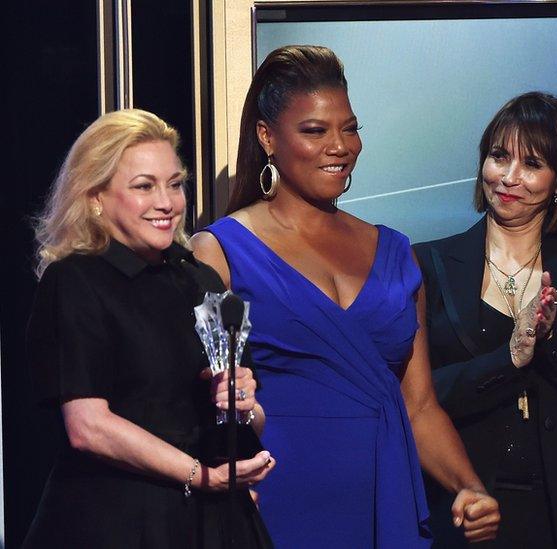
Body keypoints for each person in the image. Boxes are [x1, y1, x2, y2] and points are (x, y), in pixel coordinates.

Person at [191, 45, 500, 547]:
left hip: (384, 501)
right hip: (271, 506)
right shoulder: (218, 250)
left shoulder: (398, 253)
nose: (340, 146)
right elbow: (204, 400)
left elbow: (418, 406)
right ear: (267, 137)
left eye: (350, 128)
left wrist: (468, 487)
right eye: (315, 131)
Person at [24, 109, 274, 548]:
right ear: (96, 196)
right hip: (117, 519)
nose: (167, 203)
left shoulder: (200, 279)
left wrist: (243, 403)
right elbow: (88, 427)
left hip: (212, 518)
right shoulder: (77, 280)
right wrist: (199, 476)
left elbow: (252, 418)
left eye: (174, 184)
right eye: (144, 186)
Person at [414, 92, 557, 548]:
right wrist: (510, 358)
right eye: (500, 157)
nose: (510, 177)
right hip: (469, 508)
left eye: (532, 164)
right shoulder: (429, 262)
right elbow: (421, 398)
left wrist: (552, 337)